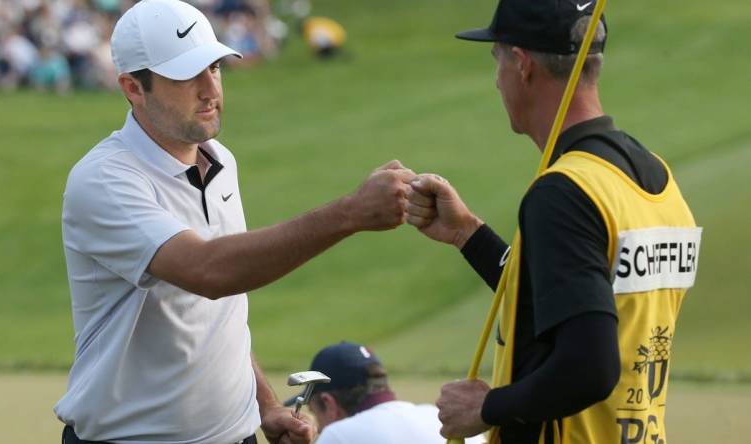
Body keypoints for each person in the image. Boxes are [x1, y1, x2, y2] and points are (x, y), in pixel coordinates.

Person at [54, 1, 415, 443]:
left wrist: (264, 406)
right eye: (188, 76)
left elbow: (218, 314)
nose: (210, 90)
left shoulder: (220, 161)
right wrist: (350, 213)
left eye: (215, 68)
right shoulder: (105, 180)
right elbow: (209, 272)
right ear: (133, 87)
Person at [404, 1, 702, 443]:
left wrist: (486, 408)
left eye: (497, 59)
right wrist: (468, 234)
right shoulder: (653, 177)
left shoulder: (564, 191)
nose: (496, 79)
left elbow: (590, 368)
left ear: (522, 65)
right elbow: (569, 299)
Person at [292, 341, 485, 444]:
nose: (319, 428)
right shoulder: (447, 418)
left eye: (315, 413)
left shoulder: (338, 435)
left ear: (329, 403)